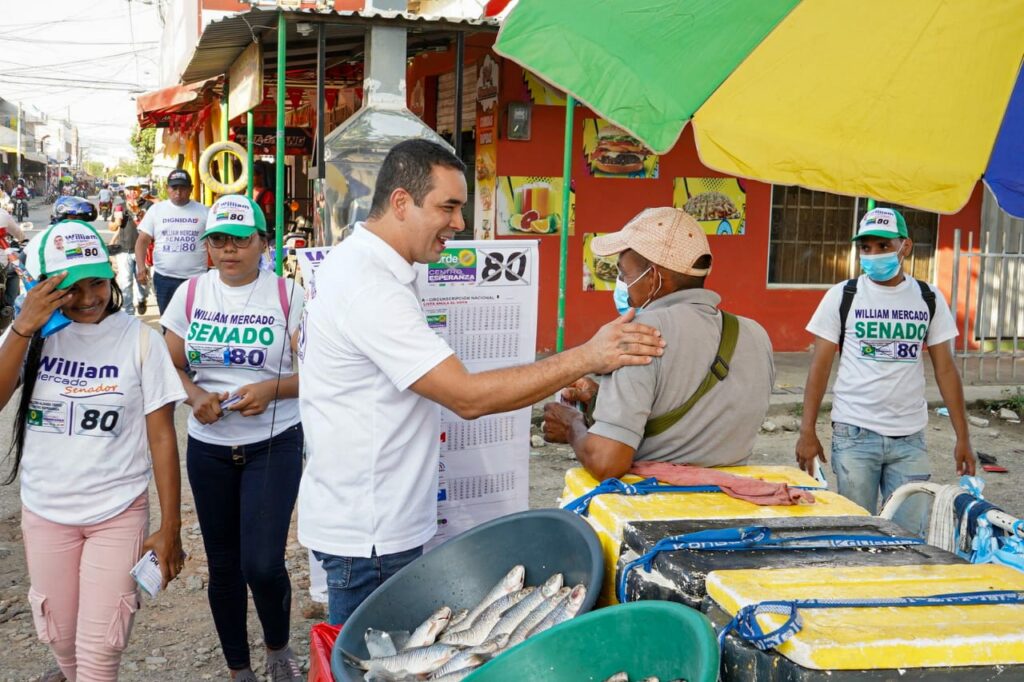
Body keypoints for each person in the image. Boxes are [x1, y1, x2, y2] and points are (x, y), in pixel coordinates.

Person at [297, 139, 666, 624]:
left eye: (461, 208)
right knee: (375, 665)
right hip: (371, 536)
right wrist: (588, 355)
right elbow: (466, 397)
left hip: (376, 522)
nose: (459, 223)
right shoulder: (370, 286)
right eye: (447, 207)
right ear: (401, 202)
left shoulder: (373, 268)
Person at [0, 220, 185, 681]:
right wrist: (23, 327)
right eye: (71, 288)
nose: (87, 299)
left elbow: (163, 436)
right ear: (43, 286)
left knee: (101, 651)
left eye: (97, 283)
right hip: (45, 510)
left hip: (117, 512)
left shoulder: (141, 339)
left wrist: (171, 527)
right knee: (60, 636)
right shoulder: (31, 336)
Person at [161, 195, 304, 681]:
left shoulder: (290, 295)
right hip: (209, 449)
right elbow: (171, 364)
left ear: (262, 242)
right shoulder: (191, 294)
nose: (229, 250)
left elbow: (324, 373)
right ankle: (238, 668)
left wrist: (273, 389)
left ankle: (278, 650)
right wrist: (194, 395)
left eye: (241, 239)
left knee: (262, 564)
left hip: (274, 441)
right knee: (223, 568)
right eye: (218, 239)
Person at [542, 207, 775, 479]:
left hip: (655, 507)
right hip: (734, 503)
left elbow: (607, 461)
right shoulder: (756, 334)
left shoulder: (639, 335)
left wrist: (571, 424)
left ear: (653, 277)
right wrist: (599, 399)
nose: (622, 285)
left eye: (624, 274)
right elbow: (690, 417)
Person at [795, 207, 976, 535]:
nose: (874, 254)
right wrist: (807, 431)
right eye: (866, 248)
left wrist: (963, 436)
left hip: (910, 439)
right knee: (856, 534)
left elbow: (946, 370)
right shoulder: (843, 296)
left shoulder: (928, 298)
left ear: (904, 247)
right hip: (854, 434)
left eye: (883, 246)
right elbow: (819, 368)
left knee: (908, 536)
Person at [135, 169, 208, 315]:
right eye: (174, 187)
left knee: (195, 323)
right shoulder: (156, 210)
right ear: (167, 189)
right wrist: (141, 267)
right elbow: (142, 241)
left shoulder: (205, 212)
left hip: (196, 279)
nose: (178, 192)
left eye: (183, 187)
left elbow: (215, 243)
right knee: (168, 323)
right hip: (165, 279)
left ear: (191, 189)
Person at [109, 191, 151, 316]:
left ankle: (142, 299)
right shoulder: (120, 206)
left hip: (142, 251)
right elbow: (111, 227)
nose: (132, 192)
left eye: (134, 188)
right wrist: (117, 222)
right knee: (126, 282)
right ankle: (129, 313)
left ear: (139, 190)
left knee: (142, 281)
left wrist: (138, 211)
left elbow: (151, 224)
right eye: (129, 189)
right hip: (123, 251)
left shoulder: (147, 205)